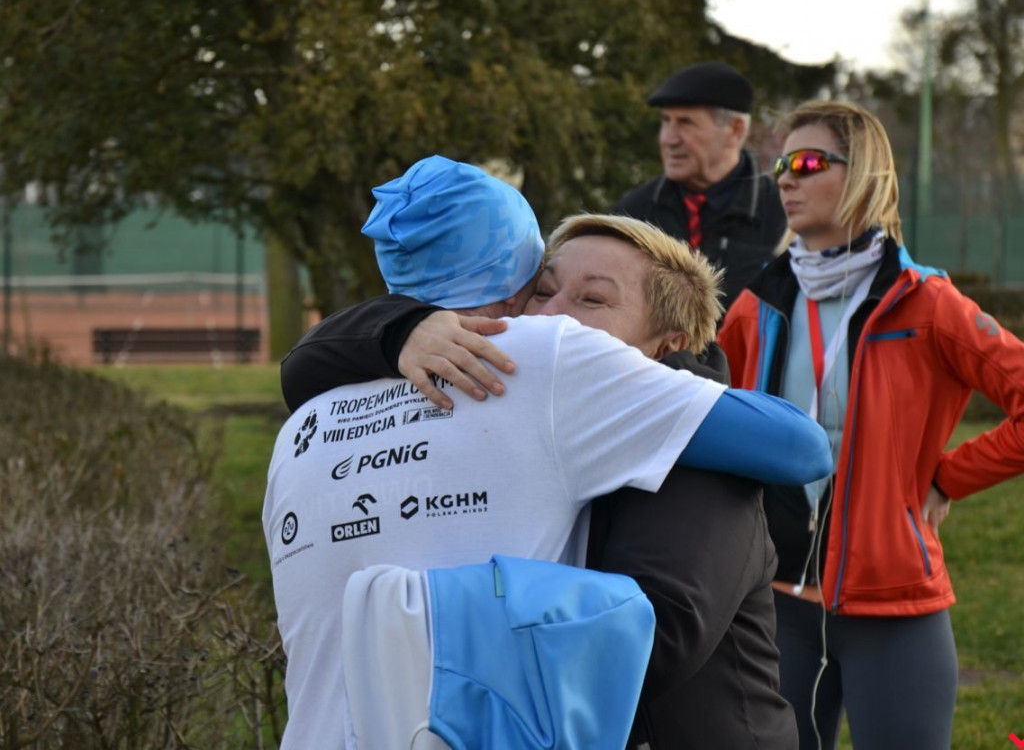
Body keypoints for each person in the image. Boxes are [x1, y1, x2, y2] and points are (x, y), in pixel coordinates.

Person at [281, 213, 806, 749]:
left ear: (665, 345)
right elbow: (302, 369)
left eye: (592, 301)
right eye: (543, 291)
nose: (551, 318)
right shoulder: (533, 415)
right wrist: (402, 329)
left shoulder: (704, 468)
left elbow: (659, 640)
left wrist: (434, 624)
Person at [717, 100, 1024, 750]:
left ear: (864, 174)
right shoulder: (755, 306)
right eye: (780, 164)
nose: (786, 178)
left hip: (894, 606)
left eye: (806, 161)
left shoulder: (928, 303)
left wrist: (947, 477)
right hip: (773, 602)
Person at [613, 60, 786, 312]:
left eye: (685, 123)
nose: (668, 139)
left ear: (735, 130)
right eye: (666, 121)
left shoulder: (783, 213)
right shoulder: (632, 213)